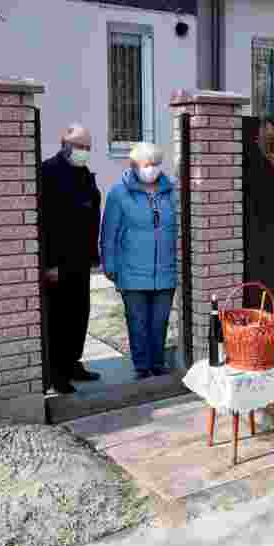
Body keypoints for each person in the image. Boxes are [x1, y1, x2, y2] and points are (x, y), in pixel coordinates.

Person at [100, 143, 177, 380]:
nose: (152, 169)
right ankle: (142, 366)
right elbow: (109, 234)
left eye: (156, 164)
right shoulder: (119, 193)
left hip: (165, 271)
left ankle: (158, 363)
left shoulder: (172, 190)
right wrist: (110, 266)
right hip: (131, 271)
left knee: (160, 321)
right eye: (147, 165)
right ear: (134, 166)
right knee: (138, 322)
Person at [40, 123, 102, 394]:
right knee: (59, 317)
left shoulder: (84, 173)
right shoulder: (48, 172)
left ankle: (73, 362)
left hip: (80, 259)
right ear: (65, 144)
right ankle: (57, 372)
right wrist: (49, 263)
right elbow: (46, 221)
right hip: (58, 260)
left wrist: (92, 255)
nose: (84, 152)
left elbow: (90, 216)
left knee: (79, 314)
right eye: (80, 147)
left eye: (88, 148)